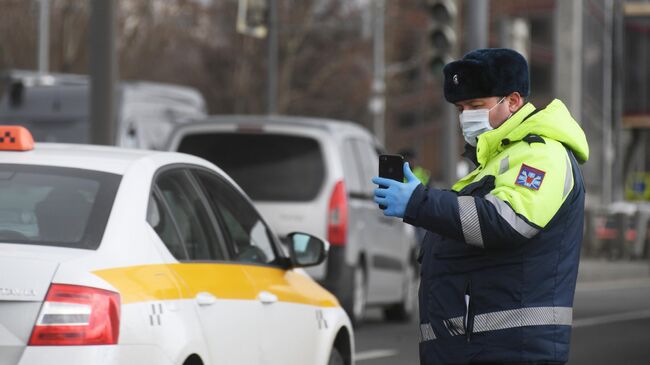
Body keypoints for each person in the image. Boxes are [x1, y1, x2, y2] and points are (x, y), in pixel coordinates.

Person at [372, 48, 589, 365]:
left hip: (511, 350)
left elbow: (509, 220)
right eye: (460, 108)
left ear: (513, 101)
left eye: (476, 106)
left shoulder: (542, 154)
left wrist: (420, 201)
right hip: (478, 348)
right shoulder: (491, 162)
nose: (465, 117)